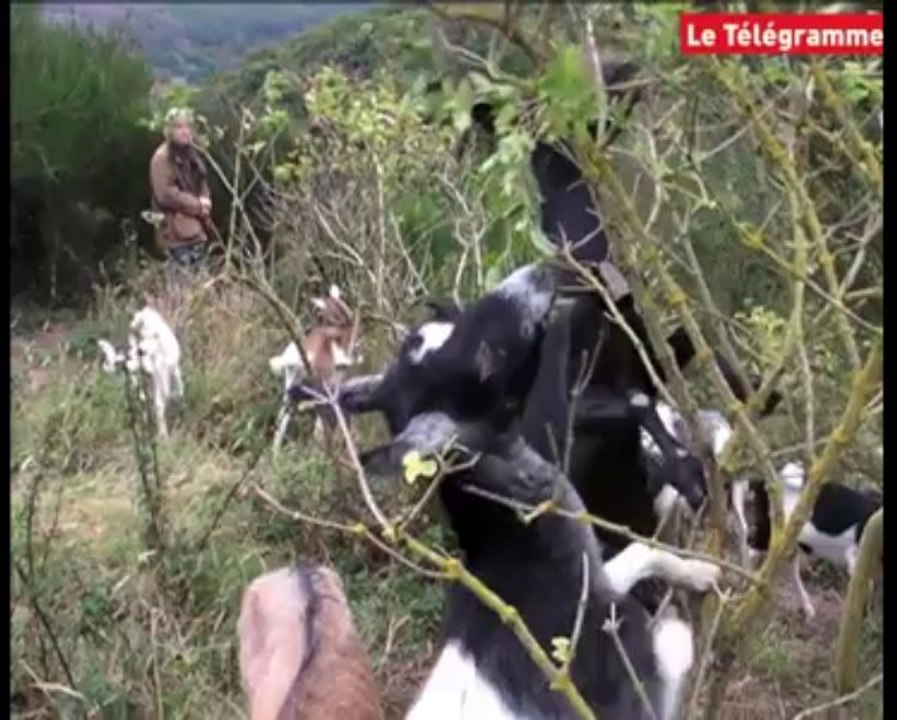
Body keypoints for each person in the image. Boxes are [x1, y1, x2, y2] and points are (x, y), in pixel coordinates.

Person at [149, 107, 213, 291]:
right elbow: (166, 195)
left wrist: (205, 200)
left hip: (197, 231)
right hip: (175, 236)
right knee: (180, 292)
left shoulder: (192, 155)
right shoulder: (161, 159)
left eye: (187, 126)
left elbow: (202, 181)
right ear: (169, 130)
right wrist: (198, 206)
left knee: (201, 290)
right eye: (179, 127)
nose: (185, 131)